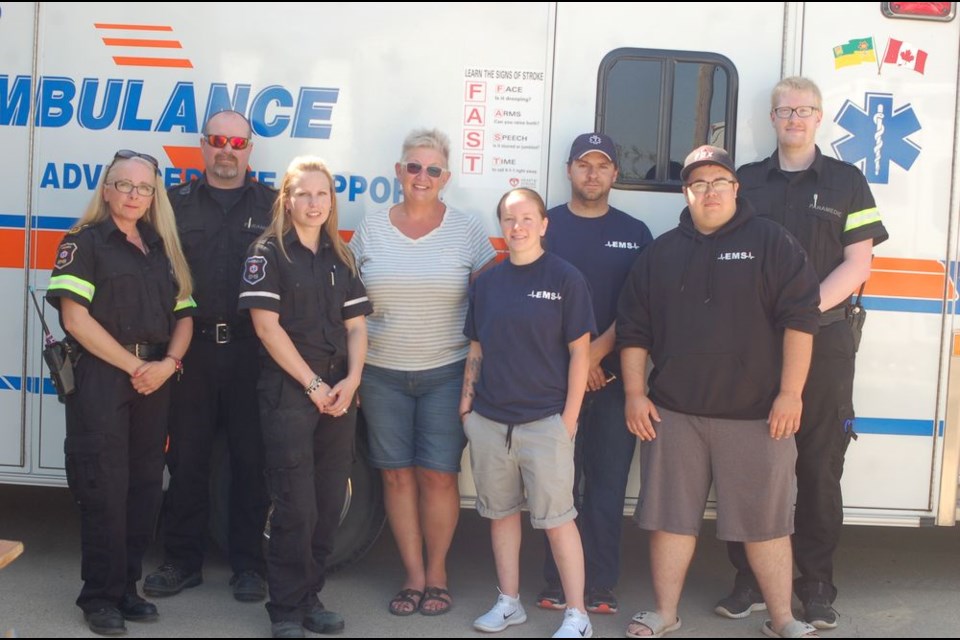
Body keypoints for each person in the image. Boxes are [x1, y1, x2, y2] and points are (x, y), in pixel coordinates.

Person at [617, 145, 821, 639]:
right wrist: (634, 394)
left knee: (768, 524)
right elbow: (633, 332)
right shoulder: (660, 252)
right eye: (698, 184)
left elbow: (800, 322)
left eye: (719, 182)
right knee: (671, 521)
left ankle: (783, 619)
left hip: (756, 416)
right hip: (673, 414)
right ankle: (666, 613)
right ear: (685, 192)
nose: (709, 192)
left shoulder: (772, 241)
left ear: (735, 188)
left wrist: (791, 394)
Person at [716, 76, 889, 630]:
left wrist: (800, 313)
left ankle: (815, 583)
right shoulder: (744, 183)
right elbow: (723, 257)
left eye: (805, 110)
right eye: (785, 110)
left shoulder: (847, 181)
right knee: (750, 467)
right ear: (772, 118)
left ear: (819, 119)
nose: (794, 118)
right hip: (754, 346)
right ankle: (749, 579)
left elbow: (858, 264)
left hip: (826, 342)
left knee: (818, 467)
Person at [46, 150, 196, 635]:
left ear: (155, 197)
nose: (134, 195)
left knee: (144, 488)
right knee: (104, 487)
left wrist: (168, 364)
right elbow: (74, 319)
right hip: (105, 378)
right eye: (124, 185)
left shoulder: (161, 247)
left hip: (155, 377)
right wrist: (138, 366)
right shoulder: (83, 243)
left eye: (144, 188)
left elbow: (185, 317)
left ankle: (127, 589)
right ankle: (99, 597)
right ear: (106, 190)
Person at [350, 128, 496, 616]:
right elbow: (349, 307)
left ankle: (438, 573)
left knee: (438, 477)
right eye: (414, 166)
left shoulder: (469, 229)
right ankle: (412, 575)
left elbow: (487, 310)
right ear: (398, 171)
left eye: (433, 169)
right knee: (395, 477)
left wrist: (475, 381)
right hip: (380, 372)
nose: (422, 176)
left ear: (446, 178)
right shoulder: (369, 226)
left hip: (446, 372)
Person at [238, 157, 372, 638]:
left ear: (331, 201)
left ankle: (312, 598)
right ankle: (286, 611)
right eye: (304, 194)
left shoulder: (341, 255)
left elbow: (357, 326)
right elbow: (266, 328)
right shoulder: (268, 253)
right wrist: (313, 385)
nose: (314, 204)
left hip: (338, 394)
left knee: (328, 499)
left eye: (322, 195)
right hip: (290, 394)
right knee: (295, 505)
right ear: (287, 200)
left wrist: (352, 380)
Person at [145, 110, 275, 602]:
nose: (227, 150)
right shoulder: (173, 204)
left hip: (252, 351)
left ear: (249, 149)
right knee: (187, 460)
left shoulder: (272, 204)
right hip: (191, 351)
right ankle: (181, 560)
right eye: (218, 140)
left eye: (236, 142)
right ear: (203, 145)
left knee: (251, 460)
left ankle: (249, 567)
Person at [462, 188, 597, 638]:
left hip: (545, 422)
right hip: (490, 420)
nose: (516, 227)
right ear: (500, 226)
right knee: (500, 515)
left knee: (558, 521)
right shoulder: (486, 283)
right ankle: (509, 602)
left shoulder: (566, 279)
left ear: (543, 224)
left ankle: (577, 615)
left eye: (526, 218)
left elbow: (582, 353)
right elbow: (476, 346)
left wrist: (570, 419)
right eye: (508, 219)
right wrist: (467, 405)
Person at [537, 132, 653, 615]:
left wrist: (595, 361)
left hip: (608, 380)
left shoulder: (636, 232)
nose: (592, 172)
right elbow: (535, 304)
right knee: (556, 486)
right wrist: (576, 366)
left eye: (602, 164)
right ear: (568, 170)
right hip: (551, 380)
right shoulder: (546, 227)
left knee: (605, 486)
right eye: (583, 163)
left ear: (614, 175)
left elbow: (640, 309)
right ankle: (556, 583)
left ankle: (601, 585)